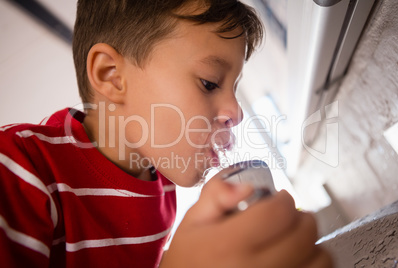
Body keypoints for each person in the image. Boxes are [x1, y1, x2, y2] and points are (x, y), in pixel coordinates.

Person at [0, 0, 332, 267]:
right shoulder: (17, 170)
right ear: (112, 75)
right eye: (210, 82)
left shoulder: (163, 188)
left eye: (234, 88)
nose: (237, 112)